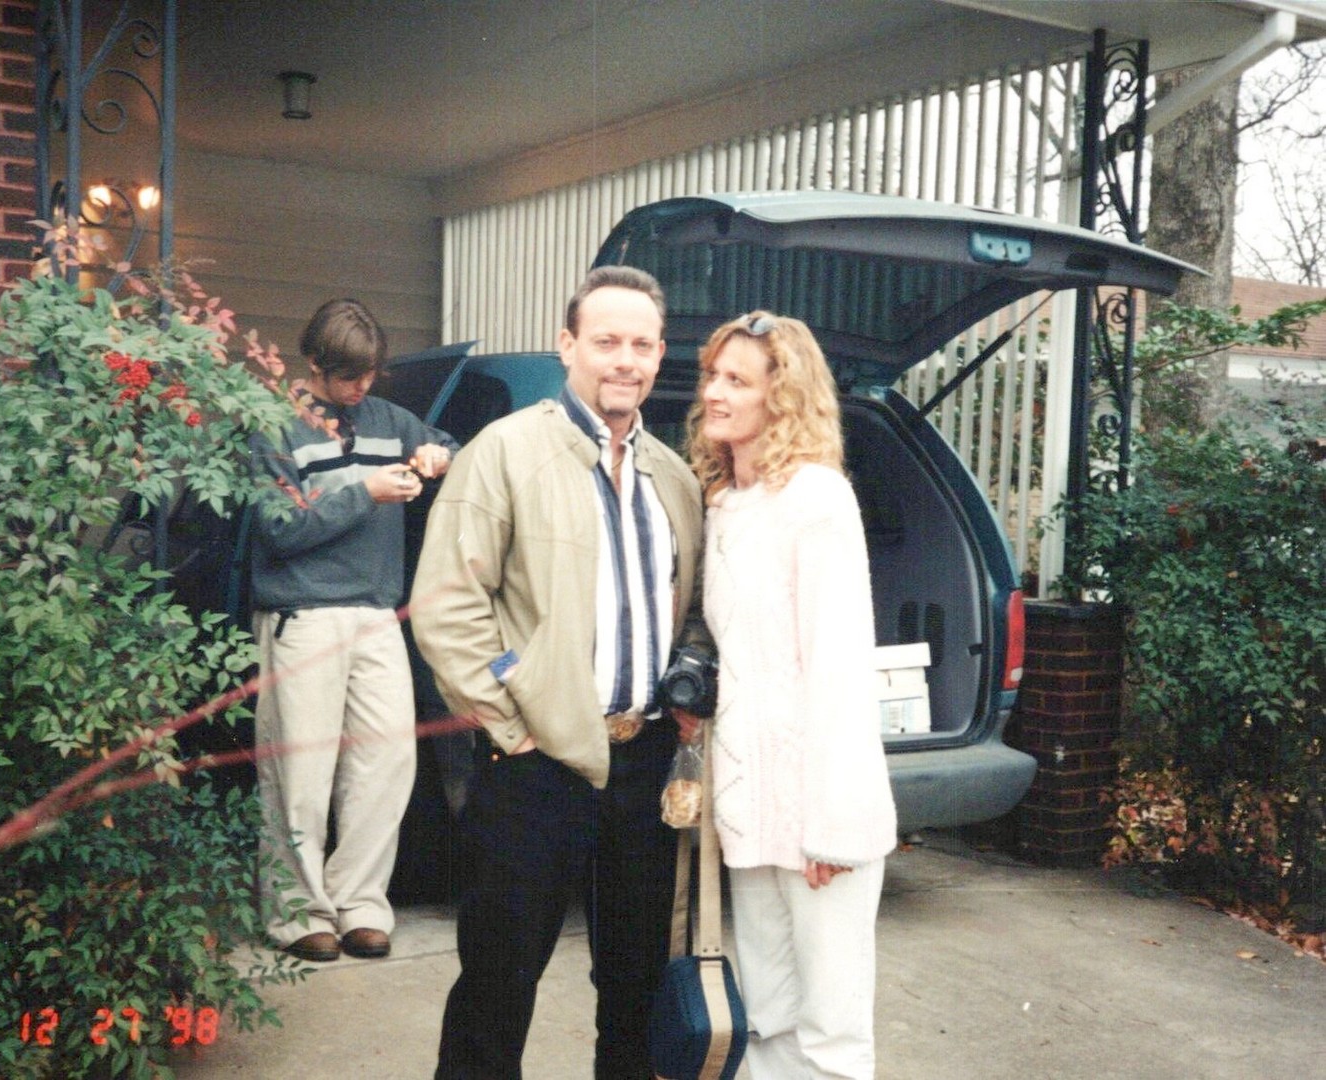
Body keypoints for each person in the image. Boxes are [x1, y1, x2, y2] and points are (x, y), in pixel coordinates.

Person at [410, 266, 706, 1079]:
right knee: (497, 986)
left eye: (642, 344)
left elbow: (692, 608)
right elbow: (449, 603)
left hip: (644, 766)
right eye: (606, 341)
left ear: (659, 355)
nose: (625, 360)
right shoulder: (506, 451)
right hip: (533, 767)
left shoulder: (674, 478)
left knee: (637, 989)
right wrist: (514, 717)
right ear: (567, 345)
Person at [684, 311, 898, 1079]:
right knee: (766, 1019)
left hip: (819, 817)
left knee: (830, 1032)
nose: (714, 392)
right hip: (750, 807)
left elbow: (840, 667)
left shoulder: (817, 498)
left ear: (783, 397)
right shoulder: (723, 503)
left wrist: (833, 829)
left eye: (737, 380)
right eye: (713, 375)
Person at [247, 298, 456, 963]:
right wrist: (365, 494)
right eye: (348, 376)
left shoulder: (391, 421)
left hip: (376, 614)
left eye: (370, 374)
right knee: (299, 774)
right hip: (303, 615)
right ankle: (297, 914)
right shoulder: (274, 427)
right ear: (314, 362)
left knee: (385, 766)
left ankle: (360, 906)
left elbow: (454, 448)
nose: (361, 387)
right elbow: (279, 530)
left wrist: (439, 453)